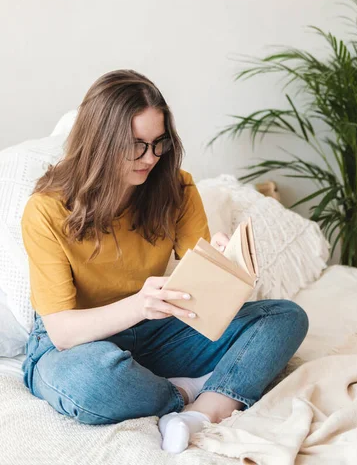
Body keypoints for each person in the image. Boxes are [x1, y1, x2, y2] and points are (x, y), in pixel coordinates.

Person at [21, 69, 309, 454]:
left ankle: (200, 413)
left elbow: (202, 291)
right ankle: (183, 391)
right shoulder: (46, 209)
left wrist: (224, 264)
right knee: (89, 382)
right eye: (136, 145)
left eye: (159, 144)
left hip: (158, 328)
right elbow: (62, 332)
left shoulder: (176, 187)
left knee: (284, 317)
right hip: (78, 344)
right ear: (100, 142)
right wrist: (139, 304)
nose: (151, 158)